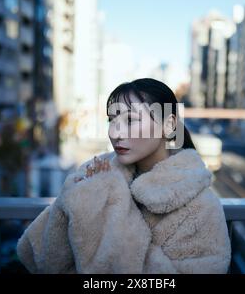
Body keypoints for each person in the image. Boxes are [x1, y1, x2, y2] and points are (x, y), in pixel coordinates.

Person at [16, 78, 231, 273]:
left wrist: (106, 204)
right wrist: (81, 196)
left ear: (168, 124)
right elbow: (36, 255)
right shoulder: (95, 174)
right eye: (112, 120)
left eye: (130, 120)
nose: (115, 133)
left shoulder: (202, 208)